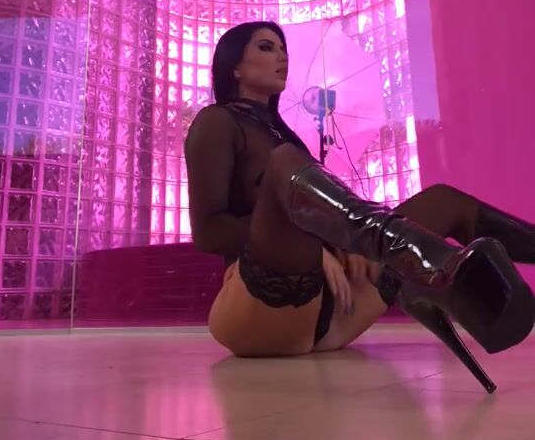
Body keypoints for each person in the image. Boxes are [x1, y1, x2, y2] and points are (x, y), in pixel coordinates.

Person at [185, 21, 534, 392]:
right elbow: (208, 232)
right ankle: (429, 264)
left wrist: (337, 242)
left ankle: (430, 265)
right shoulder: (216, 122)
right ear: (234, 66)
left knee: (445, 202)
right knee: (285, 164)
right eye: (267, 47)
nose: (282, 57)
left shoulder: (285, 135)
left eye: (284, 49)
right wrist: (318, 245)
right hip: (263, 305)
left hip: (334, 312)